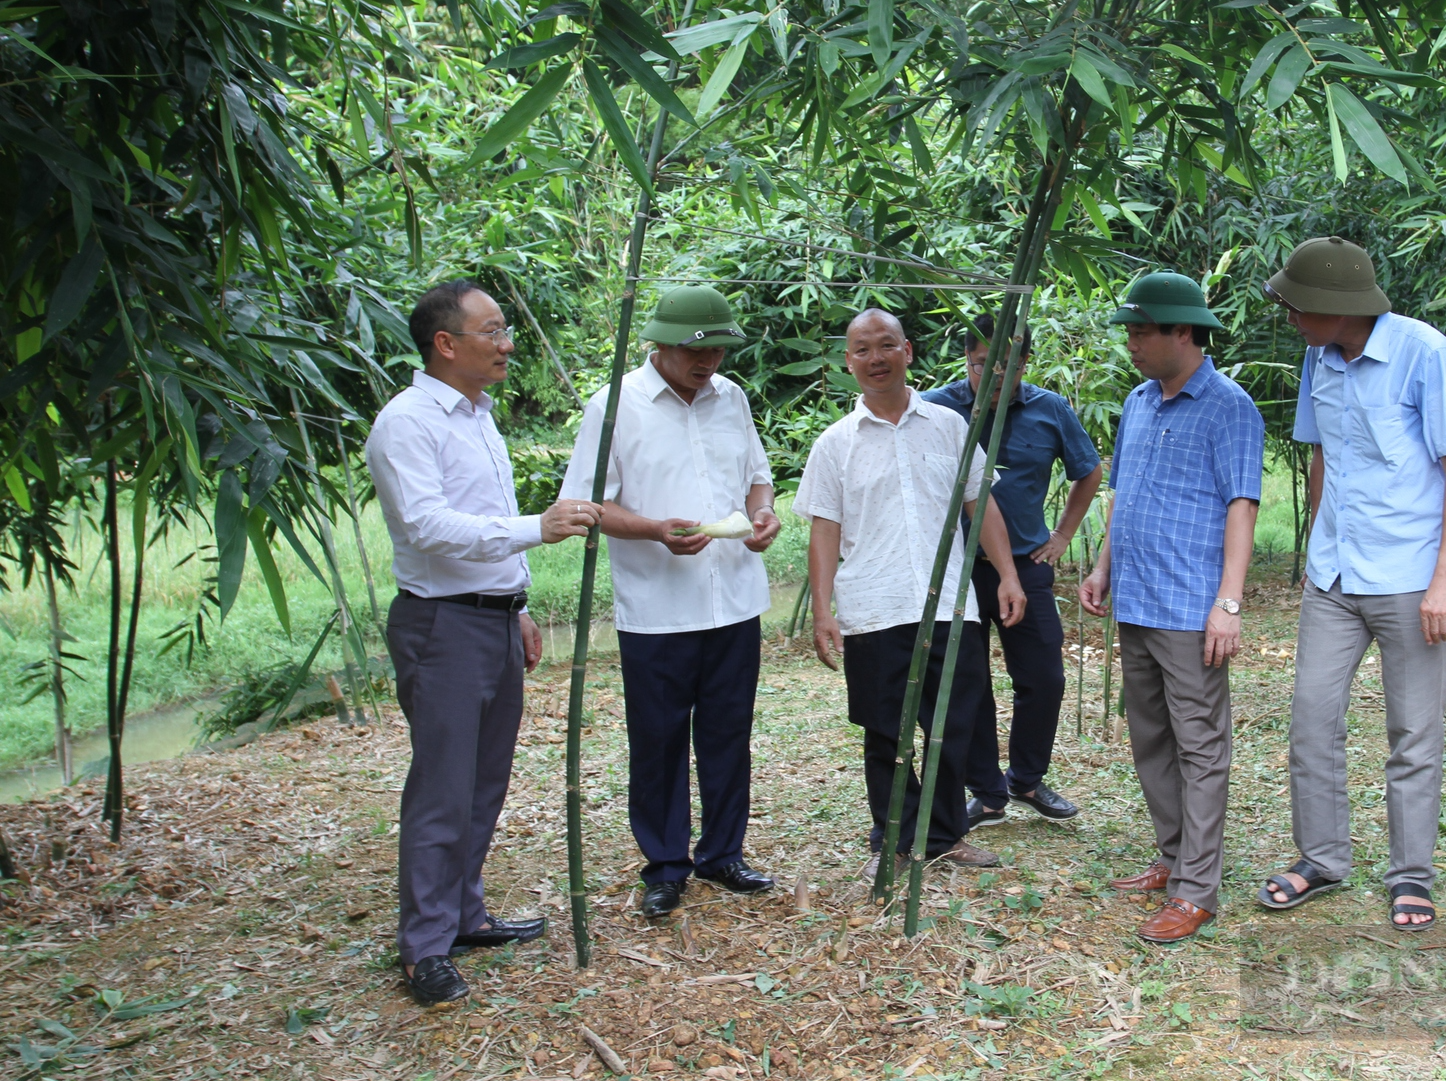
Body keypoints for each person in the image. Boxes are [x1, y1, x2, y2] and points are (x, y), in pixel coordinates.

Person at [365, 279, 601, 1006]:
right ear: (446, 343)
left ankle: (463, 914)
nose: (505, 344)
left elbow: (481, 520)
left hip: (492, 617)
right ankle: (425, 945)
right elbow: (426, 527)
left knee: (483, 780)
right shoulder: (407, 423)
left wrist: (518, 603)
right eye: (492, 331)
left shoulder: (477, 416)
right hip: (442, 624)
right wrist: (540, 525)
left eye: (503, 331)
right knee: (442, 786)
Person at [1255, 238, 1446, 931]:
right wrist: (1318, 545)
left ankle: (1411, 873)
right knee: (1311, 719)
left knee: (1412, 730)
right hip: (1335, 573)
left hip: (1410, 576)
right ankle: (1320, 857)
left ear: (1332, 307)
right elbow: (1321, 453)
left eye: (1296, 305)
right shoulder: (1316, 358)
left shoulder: (1423, 352)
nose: (1289, 315)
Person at [559, 286, 782, 920]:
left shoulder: (730, 398)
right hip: (657, 607)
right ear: (658, 342)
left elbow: (757, 477)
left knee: (727, 733)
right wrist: (656, 529)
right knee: (657, 739)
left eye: (716, 346)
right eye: (694, 347)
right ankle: (664, 865)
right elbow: (590, 506)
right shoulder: (615, 407)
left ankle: (723, 853)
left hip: (734, 598)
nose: (707, 358)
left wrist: (762, 514)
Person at [795, 308, 1027, 871]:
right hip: (873, 607)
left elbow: (981, 504)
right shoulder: (835, 444)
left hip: (950, 602)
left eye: (886, 346)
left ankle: (946, 835)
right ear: (848, 362)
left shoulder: (950, 426)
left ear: (908, 352)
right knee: (885, 731)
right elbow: (825, 529)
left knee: (954, 726)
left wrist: (1009, 575)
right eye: (862, 350)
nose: (875, 358)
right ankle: (893, 839)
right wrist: (823, 611)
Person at [1081, 272, 1263, 944]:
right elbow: (1122, 492)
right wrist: (1102, 567)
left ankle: (1197, 890)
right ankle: (1172, 855)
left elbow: (1242, 504)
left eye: (1140, 330)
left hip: (1191, 606)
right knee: (1151, 735)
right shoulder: (1137, 401)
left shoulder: (1229, 406)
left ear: (1182, 331)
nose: (1131, 343)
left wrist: (1229, 602)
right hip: (1137, 598)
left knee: (1200, 744)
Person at [922, 314, 1104, 830]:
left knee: (1043, 677)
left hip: (1025, 564)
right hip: (957, 568)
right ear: (966, 361)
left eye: (1010, 365)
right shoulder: (937, 408)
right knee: (967, 682)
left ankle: (1027, 778)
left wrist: (1063, 535)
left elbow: (1087, 470)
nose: (997, 376)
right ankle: (986, 790)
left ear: (1026, 362)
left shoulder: (1049, 409)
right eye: (984, 366)